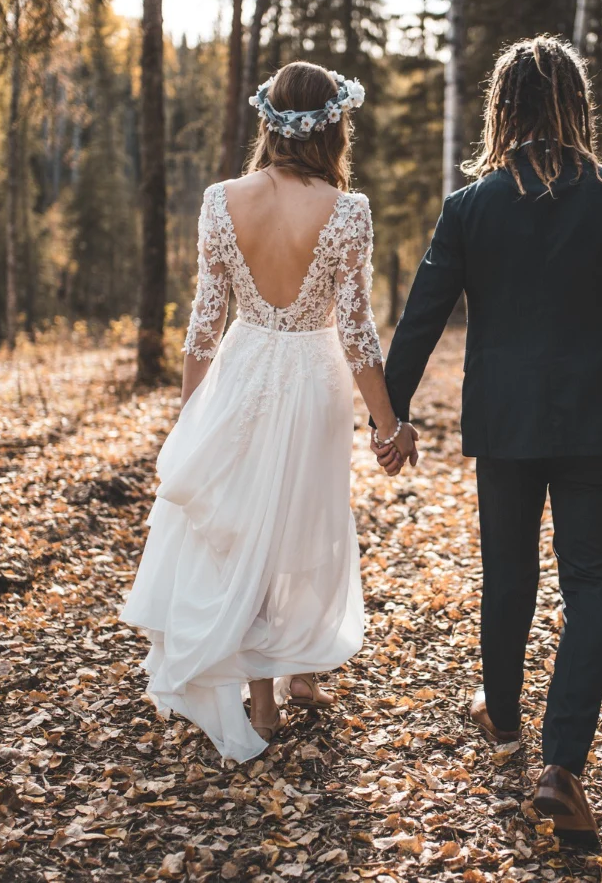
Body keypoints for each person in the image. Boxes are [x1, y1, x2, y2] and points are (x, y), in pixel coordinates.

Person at [378, 36, 602, 848]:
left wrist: (390, 416)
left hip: (507, 422)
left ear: (502, 110)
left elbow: (422, 317)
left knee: (509, 572)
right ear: (576, 107)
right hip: (601, 422)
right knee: (591, 587)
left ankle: (504, 718)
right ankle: (561, 766)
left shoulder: (470, 208)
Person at [120, 62, 417, 764]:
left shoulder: (222, 200)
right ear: (333, 127)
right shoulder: (347, 211)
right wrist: (387, 424)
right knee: (307, 515)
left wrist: (196, 416)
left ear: (269, 122)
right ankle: (301, 670)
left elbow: (204, 323)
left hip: (244, 369)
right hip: (315, 377)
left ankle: (266, 692)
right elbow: (357, 332)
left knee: (248, 517)